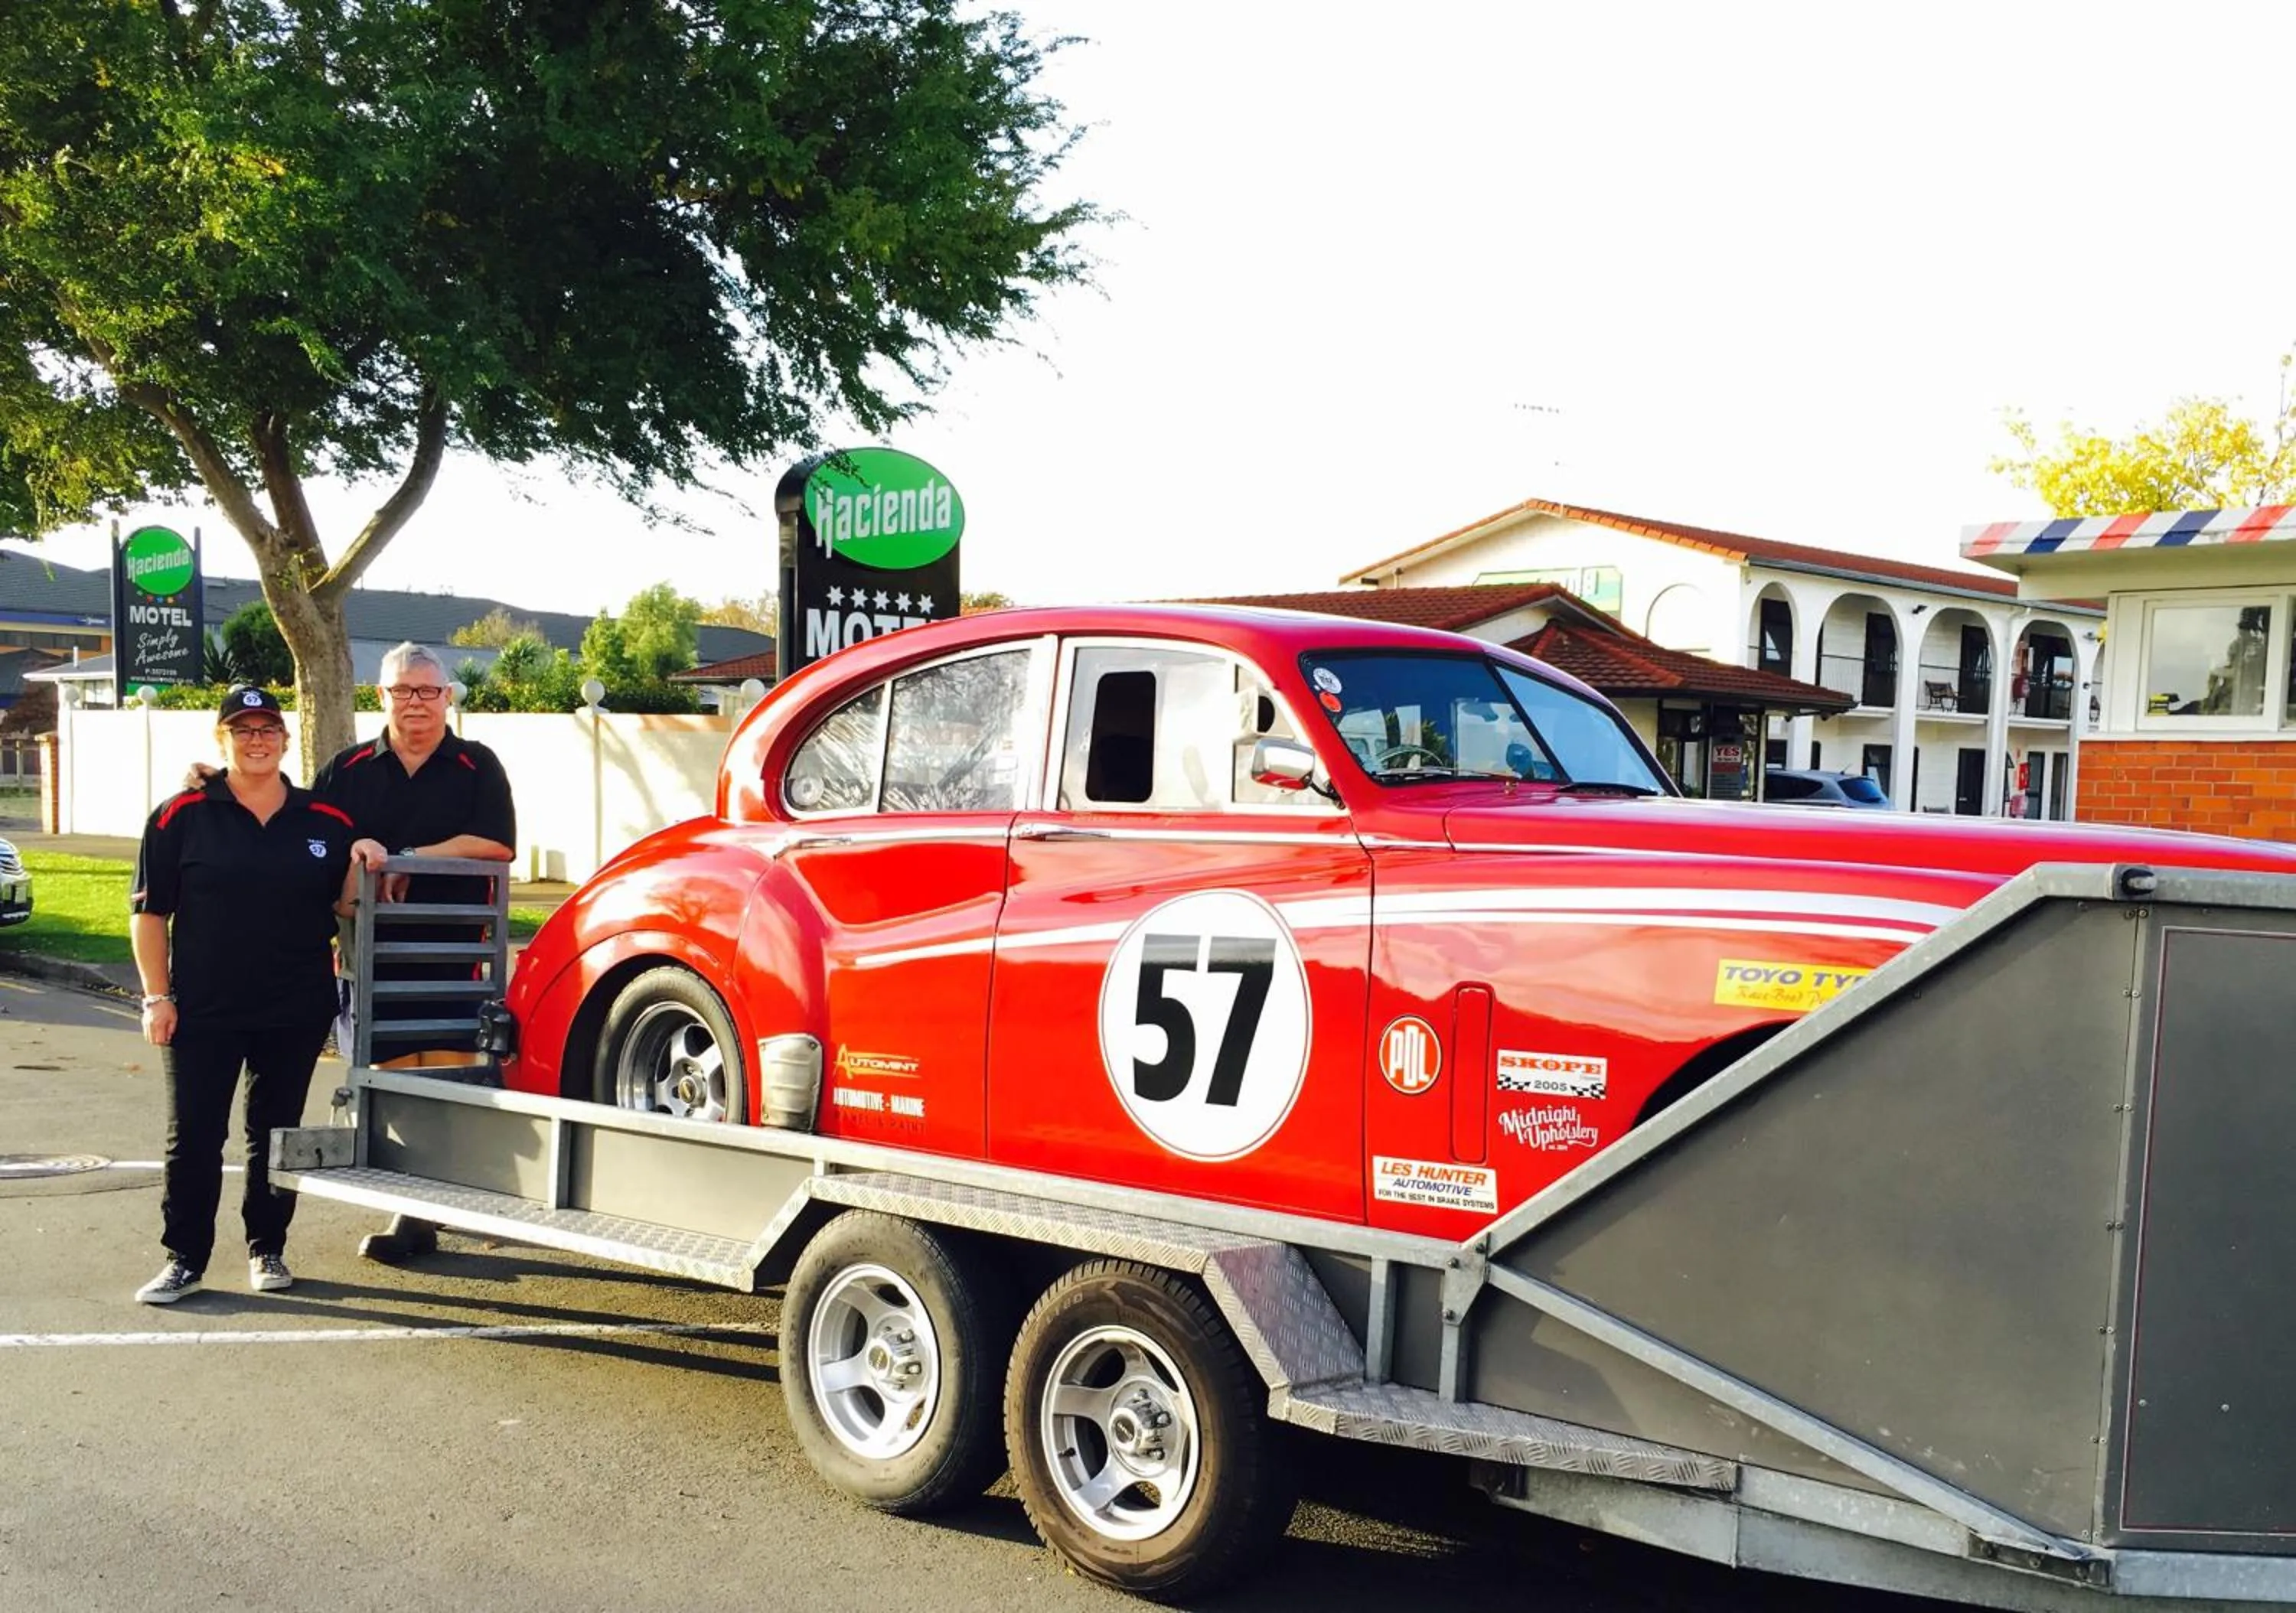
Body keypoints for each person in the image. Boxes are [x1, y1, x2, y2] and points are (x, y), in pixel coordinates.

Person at [132, 687, 387, 1304]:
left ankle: (267, 1247)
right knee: (194, 1135)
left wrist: (366, 856)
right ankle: (184, 1258)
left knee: (276, 1133)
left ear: (283, 739)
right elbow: (149, 914)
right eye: (242, 730)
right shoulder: (180, 814)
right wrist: (156, 997)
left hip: (294, 1006)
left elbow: (345, 904)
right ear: (222, 739)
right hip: (203, 1008)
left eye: (267, 729)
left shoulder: (324, 820)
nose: (256, 740)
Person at [311, 641, 517, 1070]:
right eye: (402, 690)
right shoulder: (344, 771)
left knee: (450, 1101)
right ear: (380, 696)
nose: (416, 702)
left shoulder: (479, 765)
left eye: (427, 691)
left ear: (446, 696)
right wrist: (219, 781)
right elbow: (307, 840)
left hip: (454, 969)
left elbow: (497, 844)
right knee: (380, 1108)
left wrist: (405, 858)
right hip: (370, 968)